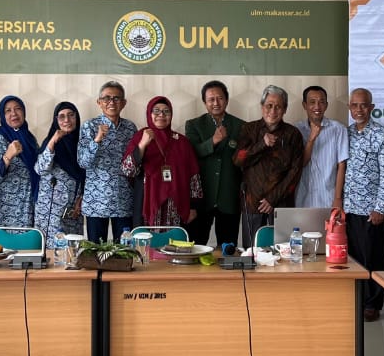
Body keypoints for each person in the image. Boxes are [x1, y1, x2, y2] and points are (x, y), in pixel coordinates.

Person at [344, 88, 384, 321]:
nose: (359, 110)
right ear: (349, 108)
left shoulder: (382, 135)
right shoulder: (346, 134)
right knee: (351, 258)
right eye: (355, 105)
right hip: (348, 208)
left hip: (370, 210)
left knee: (372, 258)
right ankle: (355, 300)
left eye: (364, 105)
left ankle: (372, 304)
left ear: (371, 108)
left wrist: (380, 208)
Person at [233, 85, 304, 245]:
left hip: (281, 204)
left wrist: (272, 199)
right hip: (253, 203)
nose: (273, 111)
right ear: (262, 106)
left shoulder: (293, 134)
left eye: (278, 106)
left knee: (283, 251)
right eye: (269, 105)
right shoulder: (249, 129)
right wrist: (261, 145)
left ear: (285, 109)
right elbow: (238, 160)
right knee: (252, 250)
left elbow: (295, 173)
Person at [123, 96, 202, 228]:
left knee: (175, 240)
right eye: (156, 111)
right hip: (147, 203)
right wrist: (142, 144)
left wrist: (193, 206)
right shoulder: (140, 136)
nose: (161, 115)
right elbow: (128, 170)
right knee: (147, 240)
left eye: (166, 111)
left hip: (176, 207)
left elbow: (194, 175)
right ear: (149, 114)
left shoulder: (182, 142)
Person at [184, 80, 245, 247]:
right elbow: (191, 154)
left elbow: (244, 159)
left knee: (228, 248)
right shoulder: (194, 125)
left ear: (227, 99)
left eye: (220, 98)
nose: (216, 103)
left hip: (229, 196)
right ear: (204, 102)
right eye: (211, 99)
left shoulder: (240, 126)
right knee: (196, 246)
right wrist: (213, 141)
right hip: (202, 197)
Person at [78, 81, 138, 243]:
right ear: (99, 102)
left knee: (123, 251)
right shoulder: (89, 126)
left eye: (116, 98)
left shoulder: (130, 128)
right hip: (96, 201)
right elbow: (83, 162)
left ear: (123, 103)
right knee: (95, 251)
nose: (111, 102)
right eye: (106, 98)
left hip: (123, 199)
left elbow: (135, 162)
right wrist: (97, 139)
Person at [33, 102, 86, 242]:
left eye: (71, 115)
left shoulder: (83, 144)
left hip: (73, 210)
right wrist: (53, 141)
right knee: (52, 249)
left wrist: (82, 198)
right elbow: (40, 169)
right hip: (50, 211)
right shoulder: (50, 142)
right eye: (62, 117)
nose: (67, 120)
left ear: (76, 118)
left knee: (73, 247)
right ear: (56, 120)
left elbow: (86, 175)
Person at [0, 96, 40, 228]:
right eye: (8, 111)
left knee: (32, 241)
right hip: (9, 210)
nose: (14, 113)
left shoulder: (30, 139)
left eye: (18, 109)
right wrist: (8, 156)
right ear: (2, 115)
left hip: (32, 205)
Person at [294, 86, 348, 210]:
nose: (317, 107)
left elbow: (342, 166)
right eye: (312, 102)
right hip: (303, 197)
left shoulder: (338, 129)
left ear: (326, 105)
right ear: (304, 105)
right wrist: (311, 139)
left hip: (328, 198)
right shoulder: (296, 130)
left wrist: (338, 198)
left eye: (321, 102)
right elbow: (299, 164)